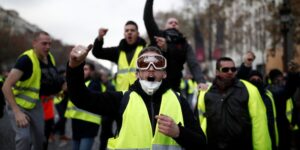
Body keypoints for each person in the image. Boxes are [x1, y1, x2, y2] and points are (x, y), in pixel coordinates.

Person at [67, 45, 207, 149]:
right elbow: (81, 98)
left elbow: (201, 143)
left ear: (164, 73)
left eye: (157, 64)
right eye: (144, 64)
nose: (151, 68)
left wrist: (179, 132)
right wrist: (74, 67)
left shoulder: (178, 101)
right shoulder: (122, 99)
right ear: (137, 73)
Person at [2, 31, 62, 150]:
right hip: (18, 105)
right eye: (44, 43)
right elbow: (6, 86)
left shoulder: (50, 58)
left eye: (50, 44)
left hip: (36, 105)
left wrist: (54, 92)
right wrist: (17, 112)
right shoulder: (26, 60)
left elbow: (49, 81)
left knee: (40, 139)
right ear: (34, 43)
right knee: (24, 138)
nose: (48, 47)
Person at [197, 57, 271, 150]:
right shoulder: (206, 93)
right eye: (225, 69)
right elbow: (201, 124)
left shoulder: (249, 90)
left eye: (233, 69)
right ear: (217, 72)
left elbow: (259, 125)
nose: (230, 72)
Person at [143, 0, 206, 92]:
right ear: (165, 26)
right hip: (153, 85)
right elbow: (147, 19)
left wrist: (201, 81)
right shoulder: (157, 36)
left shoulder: (184, 44)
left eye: (176, 23)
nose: (173, 24)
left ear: (179, 27)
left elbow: (194, 64)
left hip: (174, 87)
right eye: (170, 22)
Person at [92, 21, 147, 91]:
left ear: (138, 33)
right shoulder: (117, 51)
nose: (129, 32)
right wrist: (100, 38)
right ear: (124, 34)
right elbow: (97, 53)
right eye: (127, 30)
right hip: (121, 95)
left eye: (132, 30)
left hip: (141, 92)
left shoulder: (145, 50)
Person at [65, 62, 103, 150]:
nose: (83, 71)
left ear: (92, 72)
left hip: (89, 126)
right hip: (77, 124)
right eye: (82, 69)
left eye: (86, 69)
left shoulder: (95, 84)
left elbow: (85, 96)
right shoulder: (80, 82)